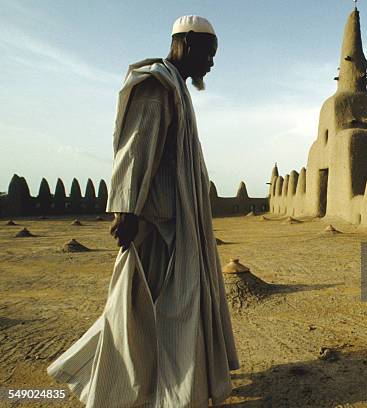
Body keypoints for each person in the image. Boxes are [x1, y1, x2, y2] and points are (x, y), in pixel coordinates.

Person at [47, 15, 239, 407]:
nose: (212, 64)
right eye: (209, 54)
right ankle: (120, 389)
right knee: (137, 310)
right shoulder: (157, 85)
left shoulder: (178, 89)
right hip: (156, 224)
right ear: (185, 42)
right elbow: (136, 148)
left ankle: (175, 385)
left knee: (164, 310)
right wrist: (127, 209)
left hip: (178, 223)